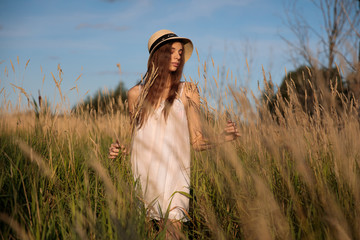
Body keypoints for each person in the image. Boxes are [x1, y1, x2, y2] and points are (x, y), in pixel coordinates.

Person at [109, 29, 239, 239]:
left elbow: (196, 141)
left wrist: (223, 138)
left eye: (180, 52)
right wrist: (119, 149)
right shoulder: (135, 94)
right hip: (144, 176)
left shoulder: (188, 90)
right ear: (157, 56)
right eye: (172, 51)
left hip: (175, 177)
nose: (179, 56)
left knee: (172, 235)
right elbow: (137, 142)